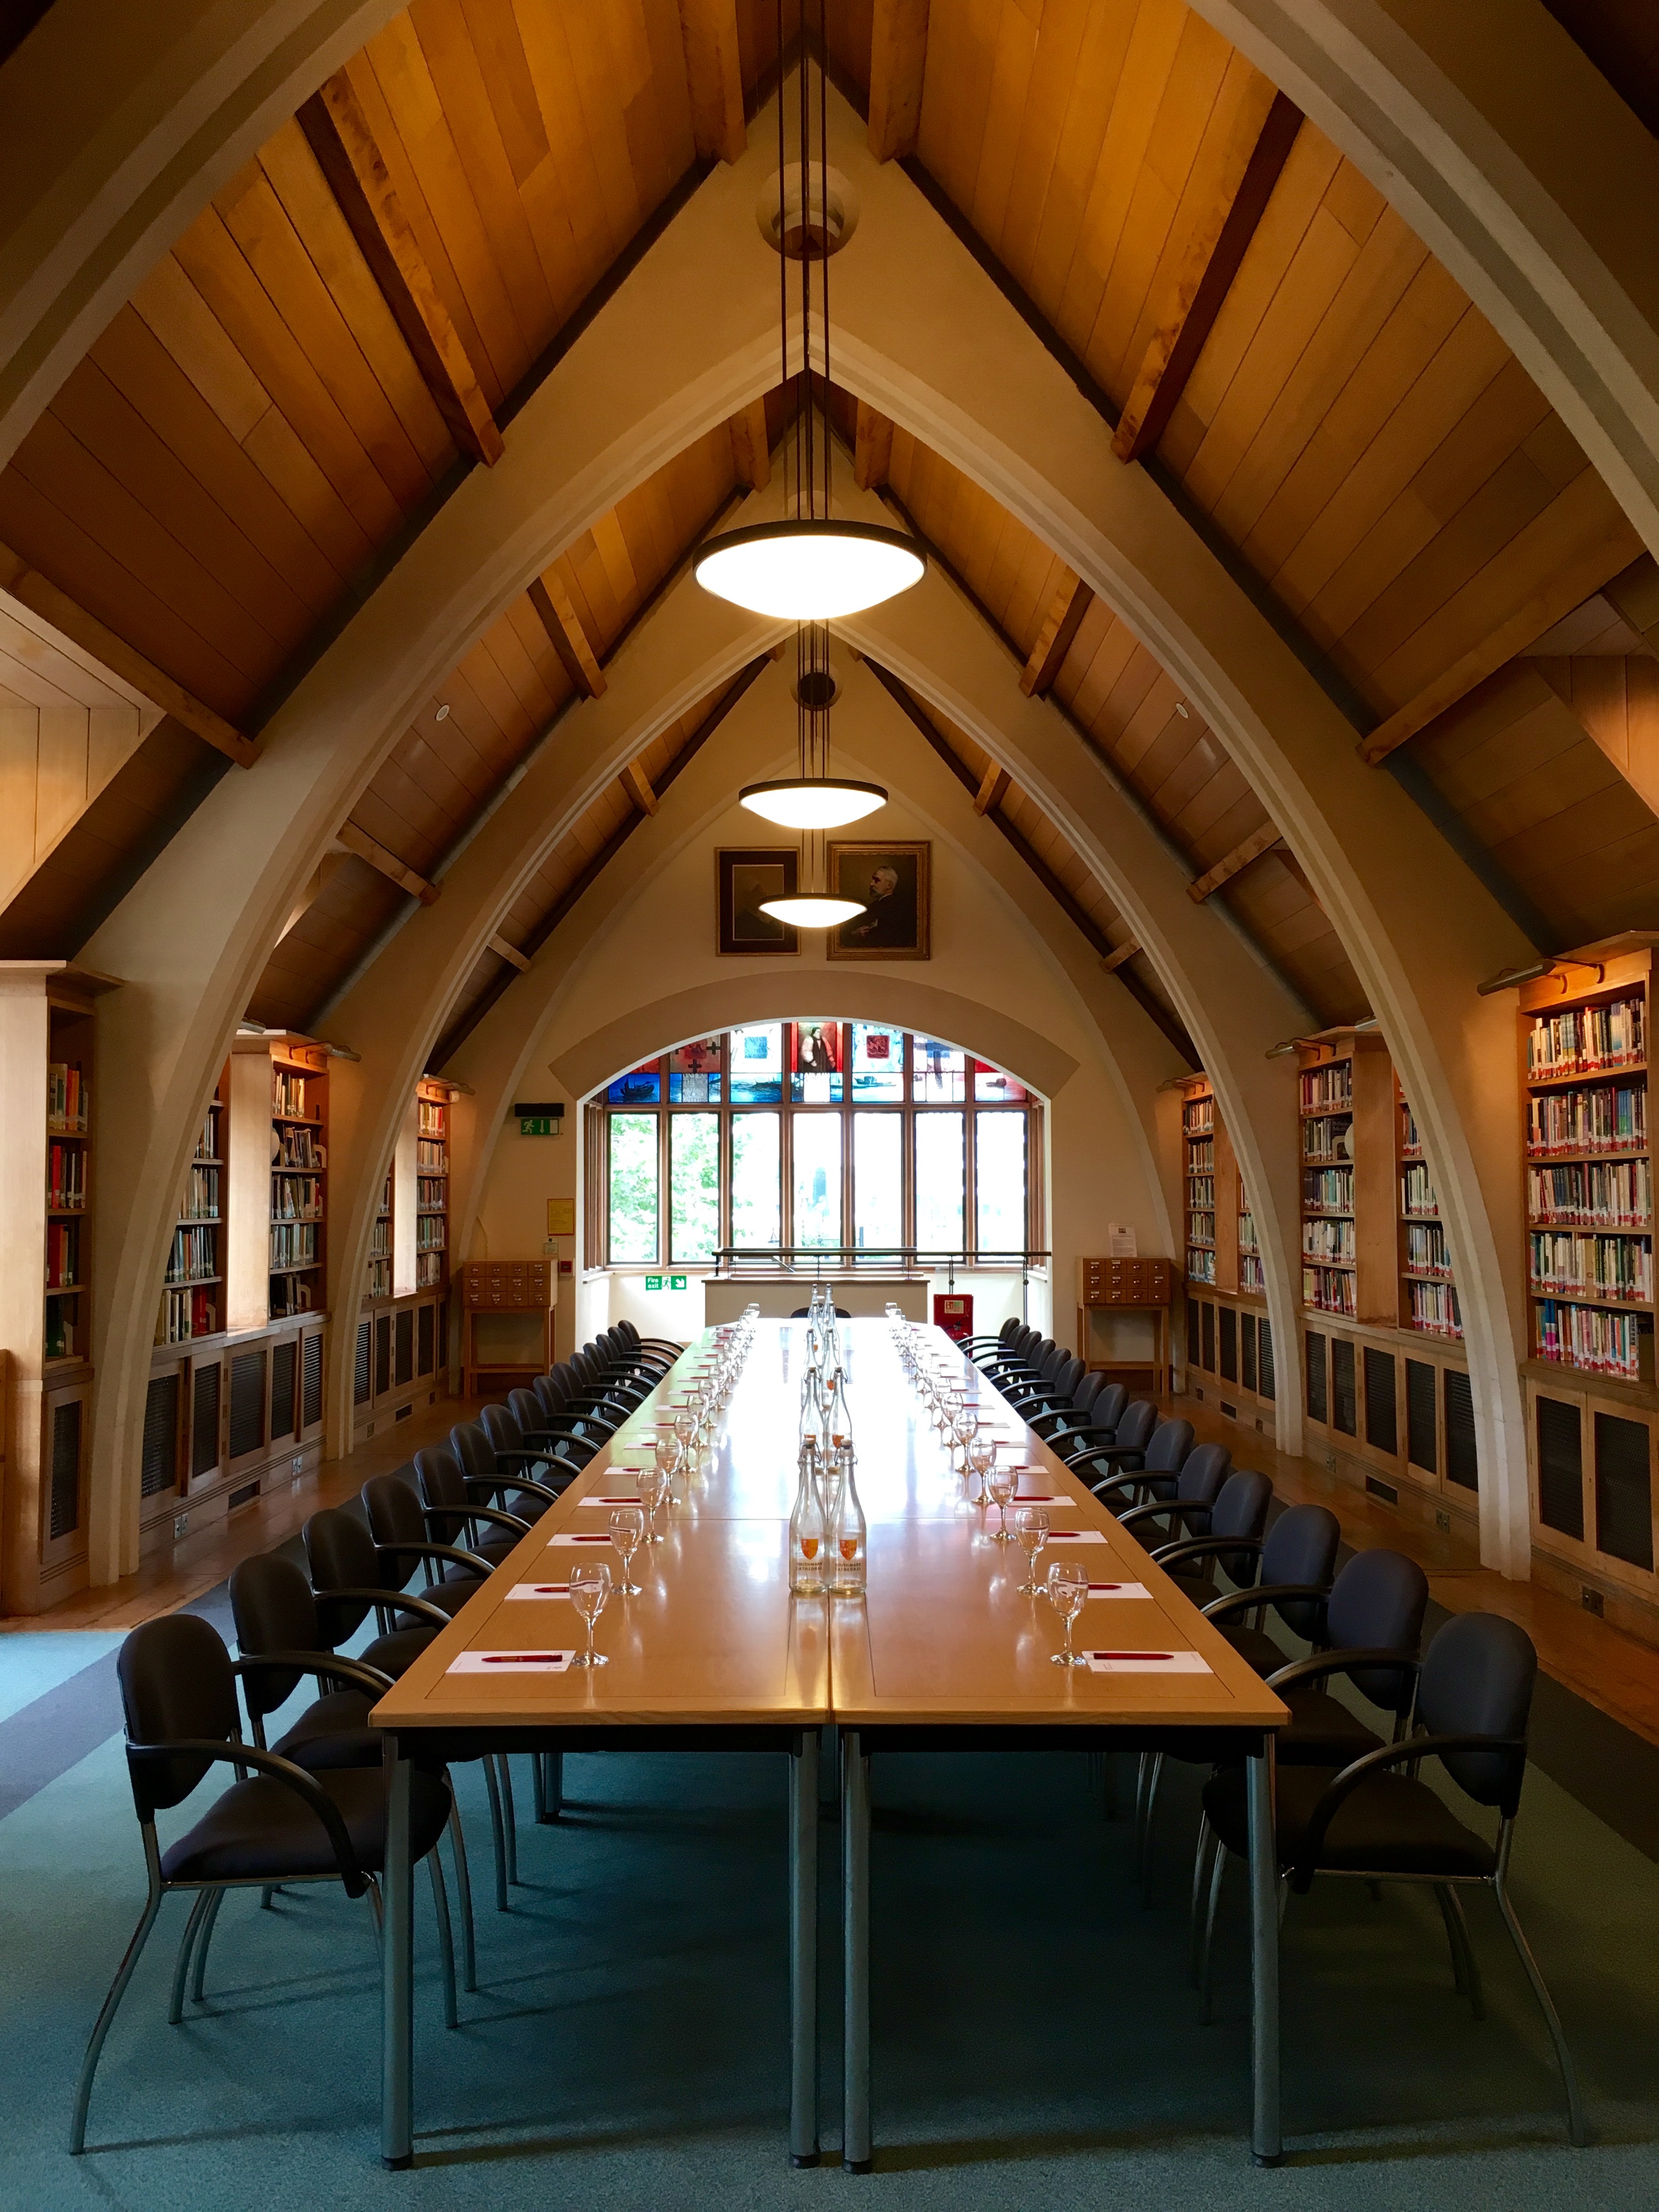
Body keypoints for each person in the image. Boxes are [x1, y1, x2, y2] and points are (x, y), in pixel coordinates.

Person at [843, 864, 906, 947]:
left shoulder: (897, 908)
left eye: (877, 880)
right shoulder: (874, 906)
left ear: (889, 885)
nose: (872, 884)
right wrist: (855, 933)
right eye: (873, 880)